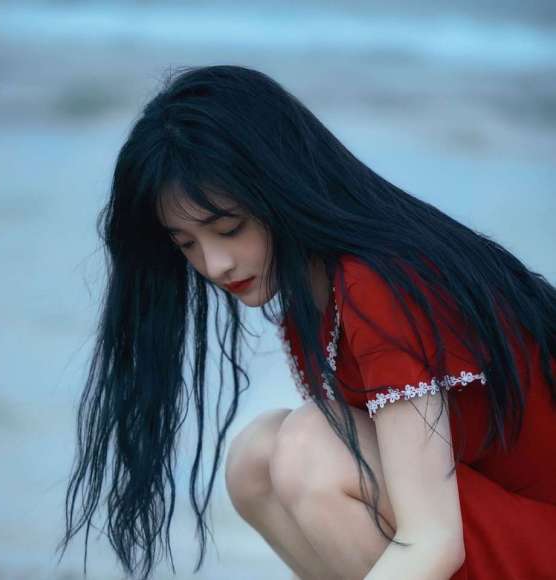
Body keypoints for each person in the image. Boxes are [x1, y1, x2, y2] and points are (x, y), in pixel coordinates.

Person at [57, 64, 556, 580]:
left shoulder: (378, 284)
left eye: (229, 229)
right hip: (501, 530)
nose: (215, 265)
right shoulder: (311, 297)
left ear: (280, 187)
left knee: (309, 450)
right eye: (187, 244)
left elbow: (432, 540)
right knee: (255, 460)